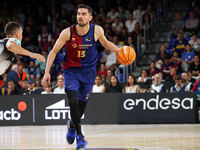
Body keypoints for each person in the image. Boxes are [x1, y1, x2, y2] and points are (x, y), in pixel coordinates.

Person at [42, 4, 120, 150]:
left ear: (90, 17)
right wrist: (47, 72)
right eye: (78, 13)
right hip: (71, 71)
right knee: (72, 100)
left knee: (81, 105)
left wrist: (119, 51)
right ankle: (80, 136)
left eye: (84, 14)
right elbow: (52, 52)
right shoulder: (67, 33)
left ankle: (72, 125)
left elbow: (105, 43)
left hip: (89, 72)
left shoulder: (97, 30)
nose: (80, 16)